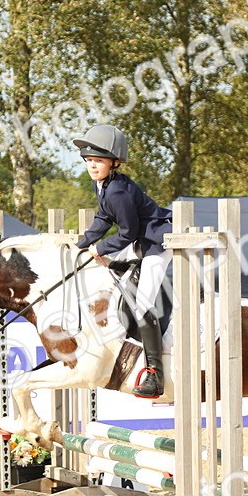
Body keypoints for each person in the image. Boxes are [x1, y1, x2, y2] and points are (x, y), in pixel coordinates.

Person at [73, 124, 173, 399]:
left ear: (114, 162)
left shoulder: (118, 190)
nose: (92, 166)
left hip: (155, 244)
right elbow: (103, 219)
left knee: (141, 305)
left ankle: (155, 375)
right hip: (139, 242)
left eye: (99, 161)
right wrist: (79, 246)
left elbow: (127, 233)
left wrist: (101, 248)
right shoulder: (103, 185)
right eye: (89, 160)